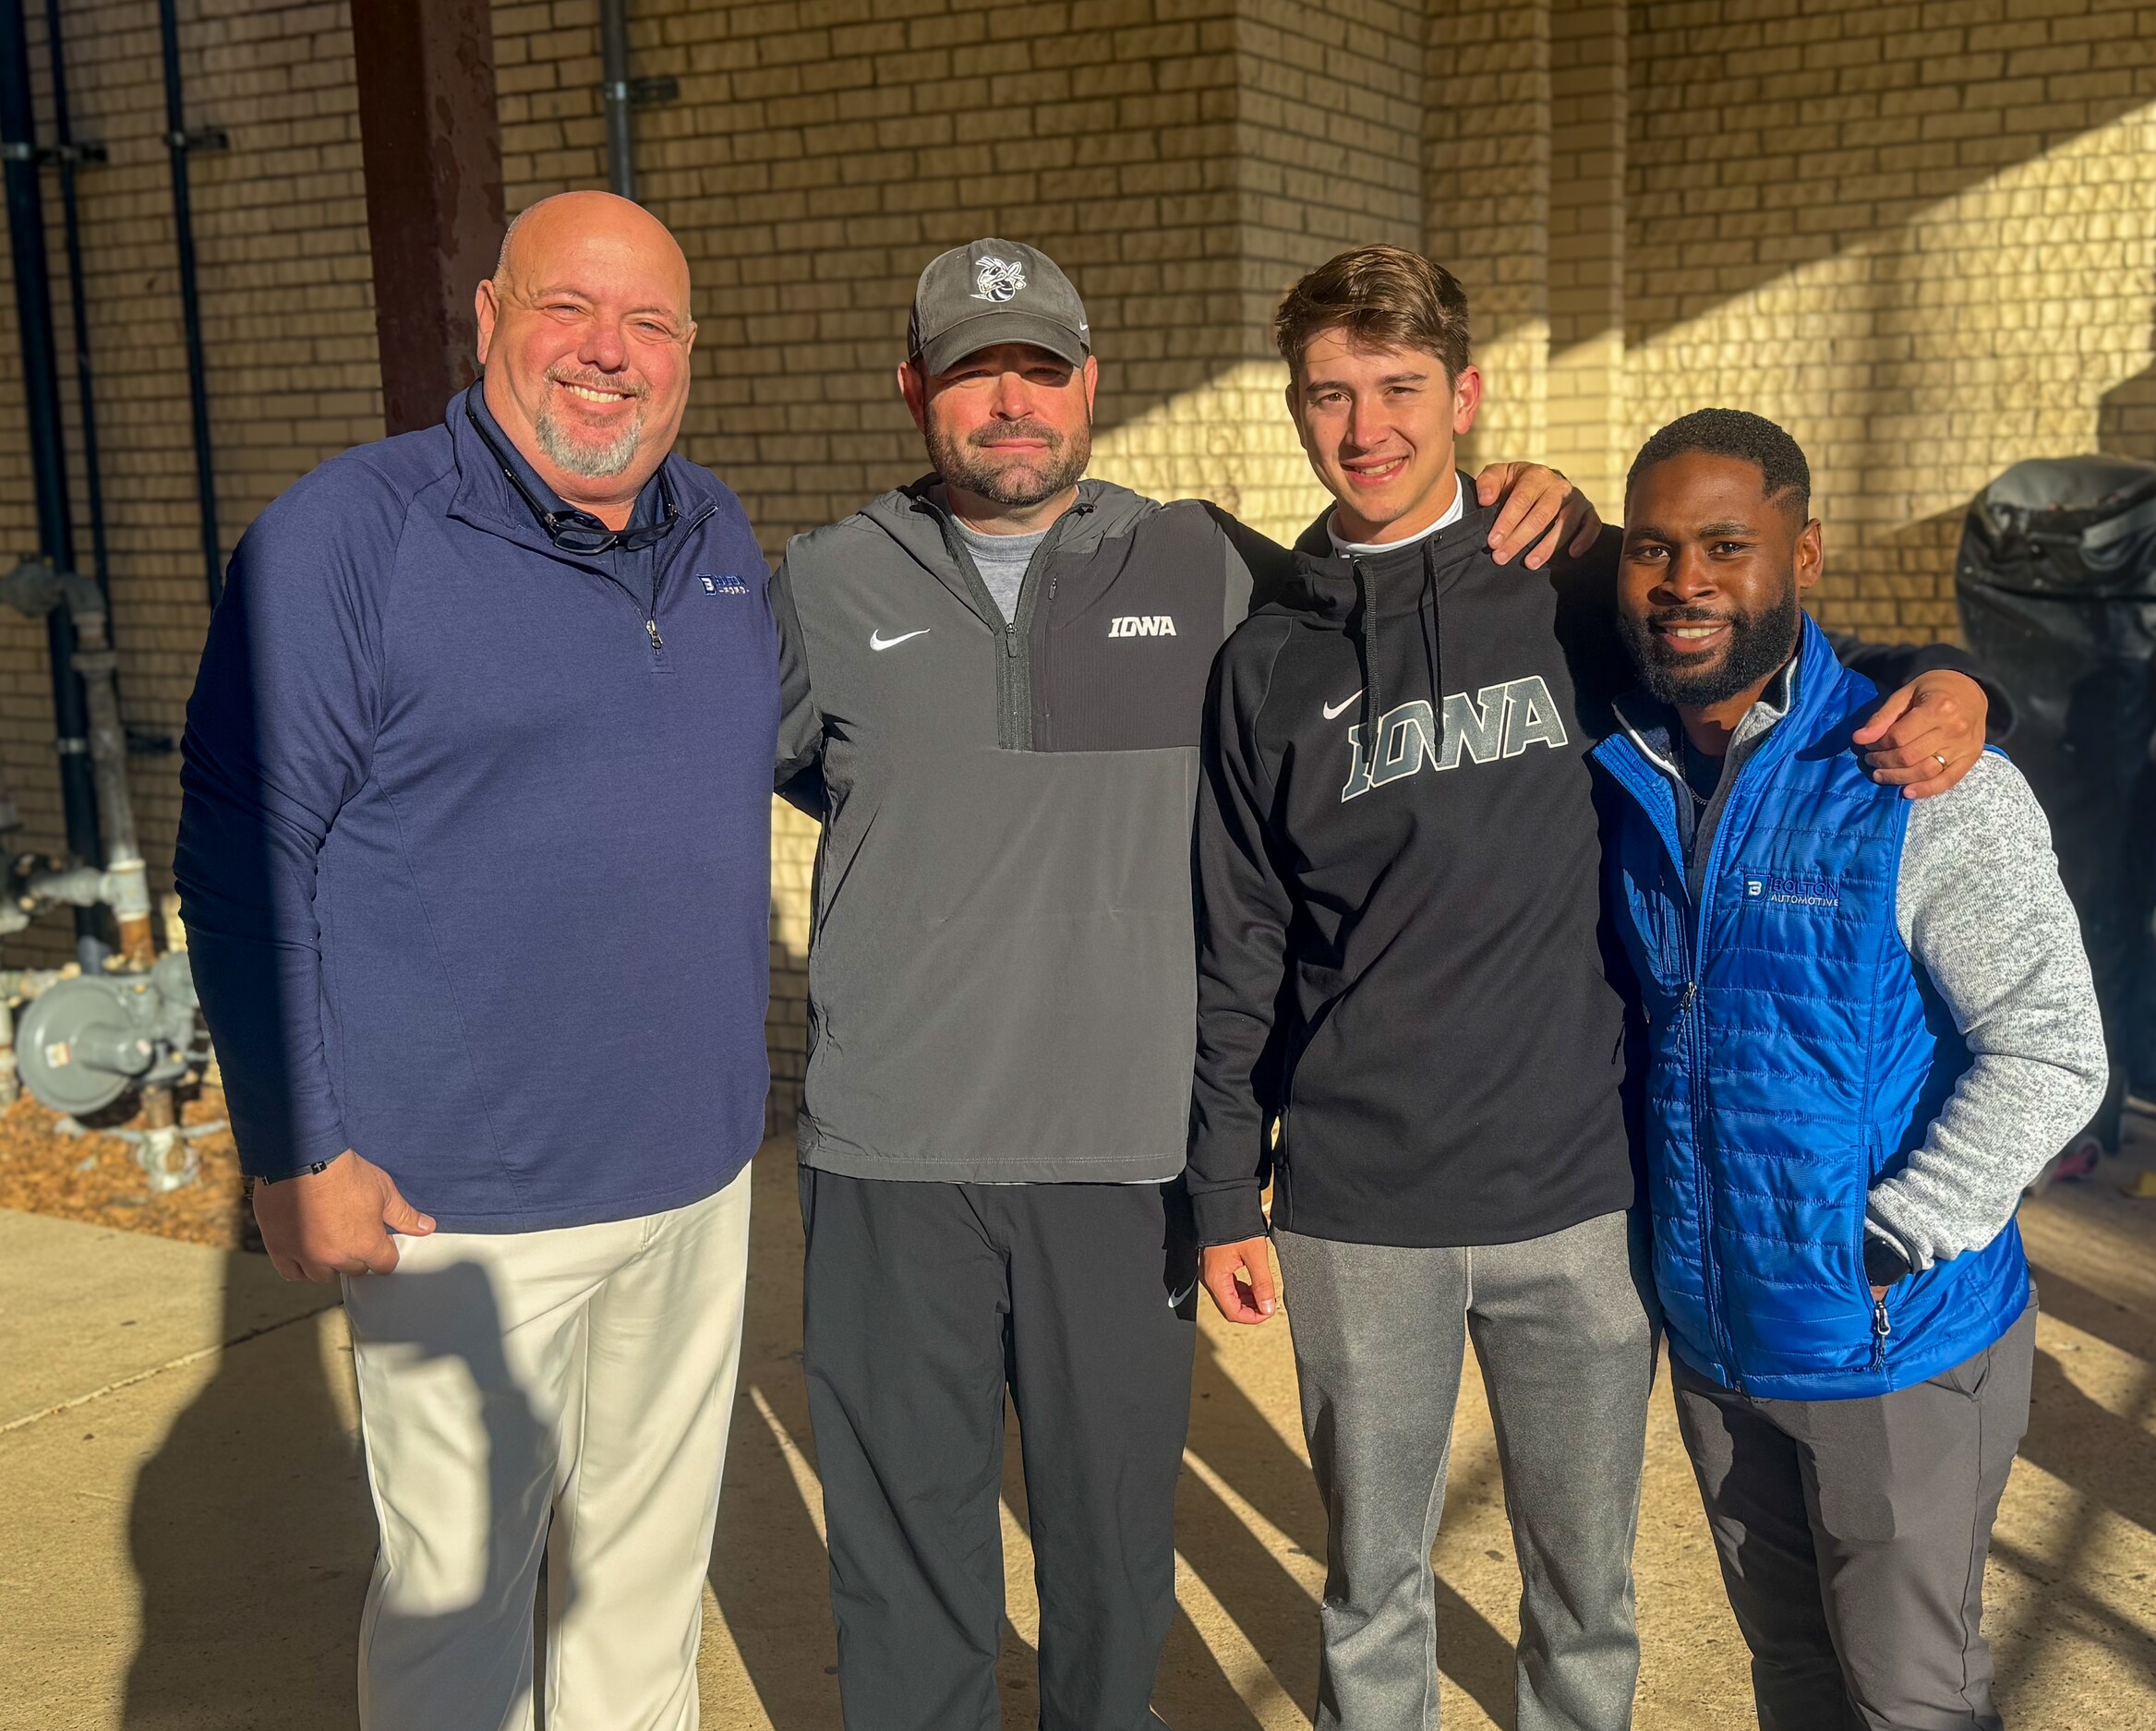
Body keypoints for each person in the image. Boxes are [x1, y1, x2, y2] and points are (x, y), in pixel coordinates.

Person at [769, 236, 1596, 1731]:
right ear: (912, 391)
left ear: (1091, 384)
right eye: (972, 375)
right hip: (893, 1155)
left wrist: (1550, 511)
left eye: (1039, 371)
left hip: (1121, 1160)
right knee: (902, 1572)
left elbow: (1391, 583)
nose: (1010, 404)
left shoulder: (1207, 565)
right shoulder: (823, 584)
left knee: (1109, 1568)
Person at [1187, 248, 2001, 1731]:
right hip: (1359, 1209)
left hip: (1581, 1201)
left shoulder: (1572, 588)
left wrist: (1954, 676)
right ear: (1295, 408)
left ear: (1465, 396)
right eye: (1330, 395)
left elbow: (1765, 645)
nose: (1365, 428)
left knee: (1585, 1598)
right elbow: (1239, 939)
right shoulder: (1265, 666)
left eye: (1399, 388)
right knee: (1371, 1591)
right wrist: (1223, 1184)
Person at [176, 192, 779, 1731]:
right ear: (490, 314)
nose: (609, 353)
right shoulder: (346, 539)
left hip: (695, 1177)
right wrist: (298, 1145)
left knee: (645, 1592)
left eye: (649, 323)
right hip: (462, 1209)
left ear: (690, 352)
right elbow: (243, 855)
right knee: (459, 1608)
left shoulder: (716, 534)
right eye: (569, 307)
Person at [1594, 409, 2106, 1729]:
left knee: (1909, 1700)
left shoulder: (1920, 779)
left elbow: (2053, 1048)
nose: (1686, 580)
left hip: (1890, 1345)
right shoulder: (1629, 768)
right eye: (1653, 549)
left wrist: (1898, 1235)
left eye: (1727, 546)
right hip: (1720, 1341)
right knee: (1795, 1681)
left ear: (1804, 555)